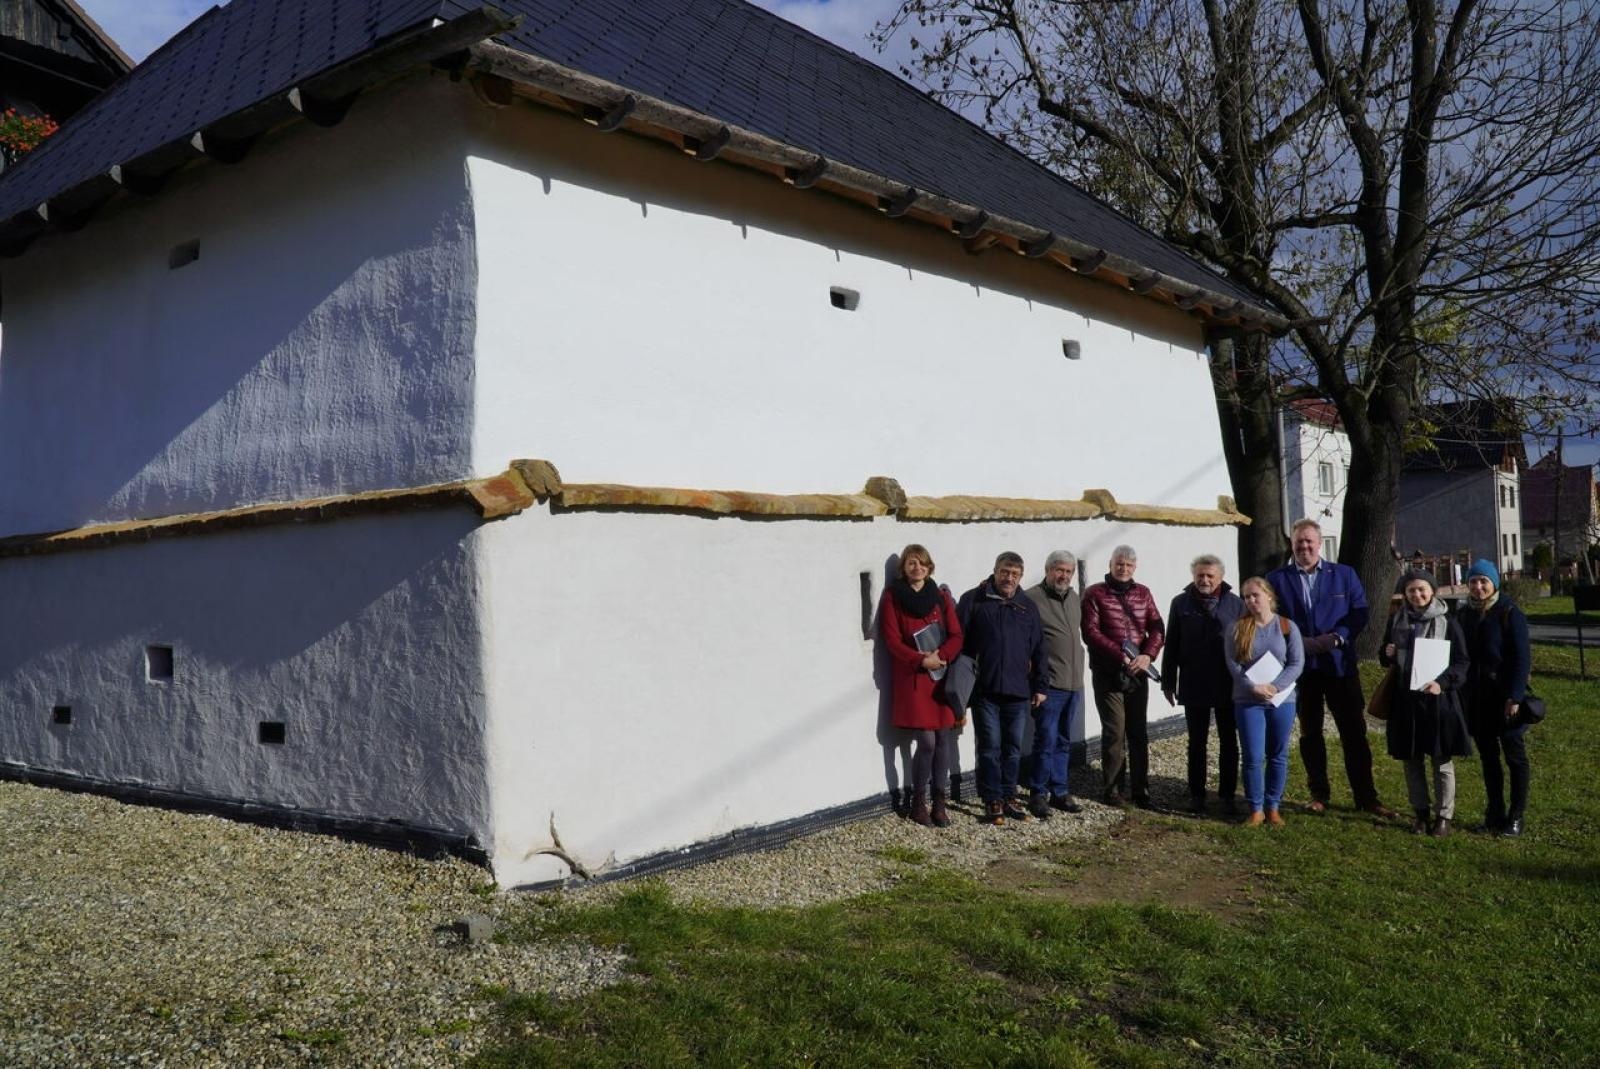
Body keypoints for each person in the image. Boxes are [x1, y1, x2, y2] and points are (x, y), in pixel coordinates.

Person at [1268, 519, 1396, 818]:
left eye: (1309, 541)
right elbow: (1271, 617)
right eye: (1299, 542)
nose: (1304, 547)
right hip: (1302, 669)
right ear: (1292, 545)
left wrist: (1337, 637)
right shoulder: (1276, 579)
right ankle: (1319, 794)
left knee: (1354, 733)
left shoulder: (1344, 575)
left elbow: (1360, 612)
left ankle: (1366, 797)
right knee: (1310, 733)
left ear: (1320, 542)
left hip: (1340, 667)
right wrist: (1299, 640)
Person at [1379, 571, 1472, 837]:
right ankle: (1420, 813)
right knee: (1411, 759)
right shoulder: (1396, 620)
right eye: (1411, 591)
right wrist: (1387, 653)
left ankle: (1444, 816)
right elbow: (1387, 660)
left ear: (1432, 591)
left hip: (1437, 700)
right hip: (1405, 700)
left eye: (1421, 590)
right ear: (1405, 594)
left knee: (1440, 759)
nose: (1417, 595)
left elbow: (1462, 662)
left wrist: (1442, 683)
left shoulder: (1448, 622)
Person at [958, 552, 1048, 824]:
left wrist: (1040, 685)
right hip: (985, 689)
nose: (1009, 578)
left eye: (1015, 574)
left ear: (1020, 576)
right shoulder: (974, 600)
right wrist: (958, 688)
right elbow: (959, 644)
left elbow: (1040, 648)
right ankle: (992, 799)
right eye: (1004, 572)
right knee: (989, 746)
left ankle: (1009, 795)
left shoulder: (1026, 606)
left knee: (1012, 748)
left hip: (1018, 691)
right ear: (995, 571)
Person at [879, 544, 966, 826]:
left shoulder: (939, 597)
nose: (917, 568)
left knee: (943, 739)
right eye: (911, 563)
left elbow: (955, 634)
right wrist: (920, 660)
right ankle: (918, 803)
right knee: (926, 740)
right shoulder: (893, 597)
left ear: (930, 567)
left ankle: (939, 804)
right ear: (903, 568)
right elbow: (892, 640)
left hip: (939, 676)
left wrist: (941, 656)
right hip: (914, 678)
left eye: (922, 563)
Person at [1081, 545, 1165, 808]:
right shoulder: (1095, 594)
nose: (1124, 568)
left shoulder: (1144, 593)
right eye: (1119, 564)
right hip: (1108, 672)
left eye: (1129, 565)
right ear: (1110, 564)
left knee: (1138, 732)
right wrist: (1120, 655)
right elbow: (1090, 632)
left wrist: (1148, 655)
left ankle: (1141, 790)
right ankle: (1113, 789)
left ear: (1135, 567)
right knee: (1115, 731)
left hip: (1138, 673)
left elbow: (1157, 626)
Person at [1163, 555, 1245, 813]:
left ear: (1220, 577)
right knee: (1196, 742)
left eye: (1210, 575)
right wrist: (1168, 681)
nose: (1205, 580)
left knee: (1228, 741)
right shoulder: (1180, 604)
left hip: (1226, 683)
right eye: (1200, 575)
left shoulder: (1236, 605)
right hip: (1193, 680)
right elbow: (1171, 643)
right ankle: (1196, 795)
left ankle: (1227, 796)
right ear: (1193, 576)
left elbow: (1245, 645)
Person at [1456, 559, 1532, 836]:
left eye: (1483, 581)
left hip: (1505, 698)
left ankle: (1516, 816)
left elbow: (1522, 659)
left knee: (1515, 757)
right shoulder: (1465, 615)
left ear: (1494, 583)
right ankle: (1494, 813)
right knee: (1489, 759)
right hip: (1477, 699)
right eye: (1473, 581)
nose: (1478, 587)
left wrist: (1514, 696)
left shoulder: (1509, 612)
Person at [1224, 577, 1304, 826]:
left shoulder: (1287, 626)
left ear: (1269, 596)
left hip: (1282, 700)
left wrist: (1275, 687)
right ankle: (1256, 808)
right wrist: (1252, 686)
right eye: (1246, 597)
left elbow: (1296, 662)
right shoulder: (1237, 628)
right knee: (1253, 756)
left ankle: (1273, 806)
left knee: (1278, 755)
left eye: (1255, 595)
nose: (1250, 600)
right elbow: (1233, 663)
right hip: (1248, 701)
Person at [1024, 549, 1087, 818]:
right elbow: (1025, 645)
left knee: (1063, 740)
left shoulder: (1073, 598)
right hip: (1049, 684)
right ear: (1048, 570)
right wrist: (1036, 683)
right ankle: (1038, 793)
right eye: (1058, 570)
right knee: (1045, 739)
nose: (1063, 575)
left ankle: (1060, 791)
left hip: (1074, 683)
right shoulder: (1031, 599)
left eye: (1068, 571)